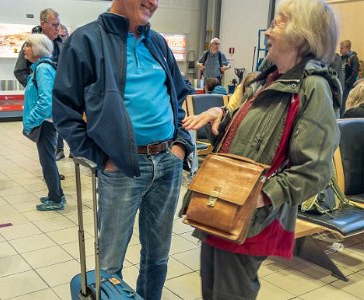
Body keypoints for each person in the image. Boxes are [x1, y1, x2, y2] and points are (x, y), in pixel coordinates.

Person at [183, 0, 340, 298]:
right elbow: (252, 140)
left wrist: (263, 195)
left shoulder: (312, 89)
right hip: (223, 205)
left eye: (278, 24)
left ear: (301, 35)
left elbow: (314, 170)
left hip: (251, 218)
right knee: (211, 289)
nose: (267, 32)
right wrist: (224, 118)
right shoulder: (266, 80)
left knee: (230, 293)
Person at [52, 1, 193, 299]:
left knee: (158, 256)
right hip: (122, 169)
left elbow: (178, 97)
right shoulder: (86, 40)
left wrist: (181, 144)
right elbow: (65, 112)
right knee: (110, 264)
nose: (154, 2)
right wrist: (102, 158)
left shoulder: (156, 42)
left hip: (167, 162)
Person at [22, 34, 65, 211]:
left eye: (28, 45)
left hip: (45, 123)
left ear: (38, 49)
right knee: (47, 160)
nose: (25, 48)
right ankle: (55, 193)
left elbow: (45, 102)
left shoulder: (42, 69)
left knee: (47, 161)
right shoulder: (41, 67)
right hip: (45, 122)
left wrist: (30, 122)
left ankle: (56, 199)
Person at [14, 8, 62, 88]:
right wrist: (34, 87)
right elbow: (20, 70)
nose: (57, 28)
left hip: (59, 93)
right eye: (54, 25)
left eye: (58, 24)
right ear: (43, 24)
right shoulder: (30, 44)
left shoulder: (61, 43)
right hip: (41, 93)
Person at [55, 24, 69, 161]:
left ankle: (76, 150)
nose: (61, 38)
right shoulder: (55, 50)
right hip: (60, 92)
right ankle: (59, 149)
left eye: (63, 35)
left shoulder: (72, 50)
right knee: (60, 123)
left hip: (74, 93)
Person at [340, 40, 359, 116]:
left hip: (348, 85)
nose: (340, 50)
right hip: (342, 83)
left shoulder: (353, 58)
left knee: (344, 103)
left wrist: (347, 82)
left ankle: (342, 118)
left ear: (348, 48)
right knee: (341, 103)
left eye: (342, 48)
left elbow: (354, 73)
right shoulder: (341, 58)